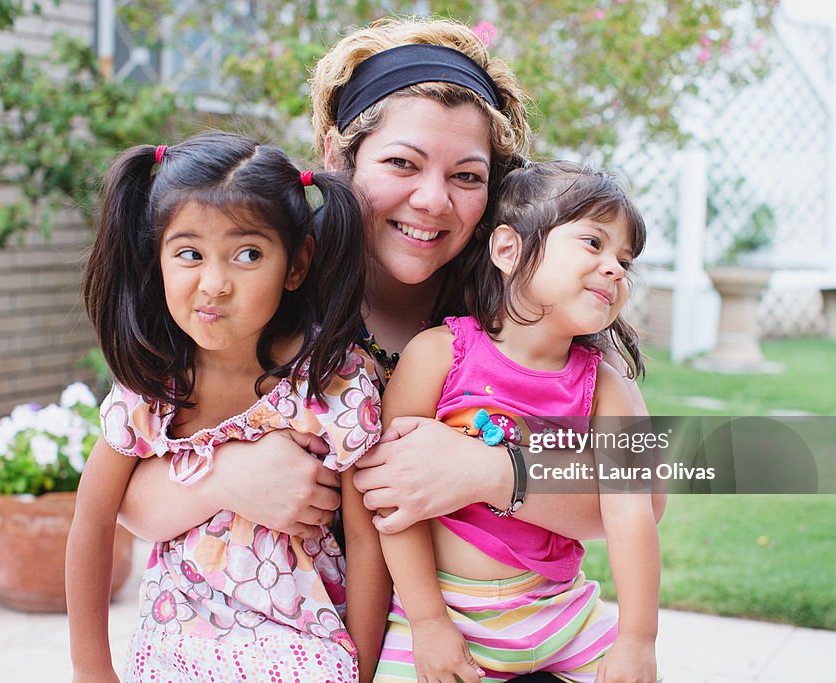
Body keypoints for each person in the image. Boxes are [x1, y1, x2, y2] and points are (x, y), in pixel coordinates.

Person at [117, 17, 663, 679]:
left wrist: (490, 472)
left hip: (473, 639)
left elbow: (643, 496)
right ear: (336, 155)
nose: (432, 199)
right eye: (401, 163)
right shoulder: (266, 293)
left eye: (466, 175)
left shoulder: (515, 315)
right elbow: (131, 493)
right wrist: (228, 476)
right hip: (291, 644)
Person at [66, 132, 390, 682]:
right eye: (189, 254)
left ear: (296, 264)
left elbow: (365, 539)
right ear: (158, 259)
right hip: (177, 640)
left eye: (248, 255)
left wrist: (362, 671)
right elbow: (92, 521)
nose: (214, 285)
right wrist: (92, 670)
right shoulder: (153, 385)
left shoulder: (330, 382)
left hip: (303, 642)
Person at [373, 161, 660, 683]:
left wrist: (638, 641)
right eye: (594, 244)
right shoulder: (440, 356)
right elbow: (391, 500)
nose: (617, 269)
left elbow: (632, 514)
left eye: (625, 259)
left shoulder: (607, 390)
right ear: (508, 250)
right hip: (449, 613)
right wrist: (428, 621)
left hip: (562, 614)